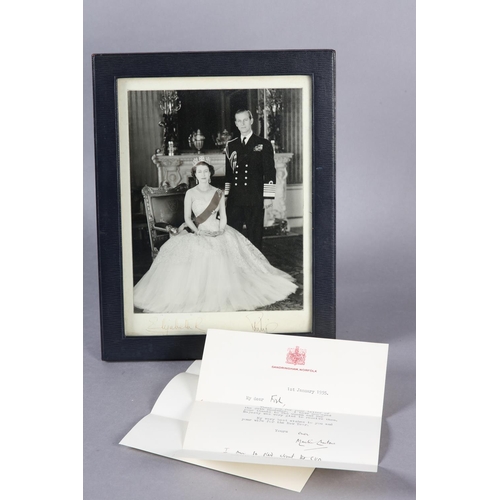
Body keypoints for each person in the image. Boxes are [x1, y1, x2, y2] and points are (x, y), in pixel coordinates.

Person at [133, 159, 297, 314]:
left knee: (227, 251)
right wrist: (198, 232)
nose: (203, 174)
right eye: (199, 172)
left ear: (210, 173)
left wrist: (220, 229)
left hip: (217, 229)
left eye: (206, 171)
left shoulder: (218, 192)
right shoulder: (190, 193)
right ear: (195, 174)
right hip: (198, 230)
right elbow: (187, 219)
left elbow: (223, 216)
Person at [225, 109, 276, 250]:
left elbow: (270, 172)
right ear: (236, 123)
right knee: (232, 234)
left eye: (245, 120)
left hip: (255, 196)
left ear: (251, 120)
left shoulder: (263, 144)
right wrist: (226, 196)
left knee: (255, 235)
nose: (243, 123)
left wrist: (268, 197)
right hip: (235, 198)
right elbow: (229, 173)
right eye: (239, 121)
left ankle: (255, 267)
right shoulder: (231, 145)